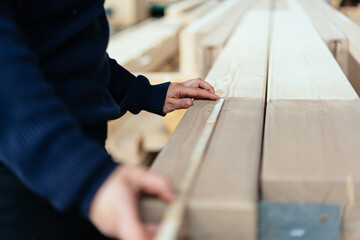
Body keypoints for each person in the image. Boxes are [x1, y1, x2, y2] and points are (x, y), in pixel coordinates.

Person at [0, 0, 219, 240]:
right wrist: (88, 177)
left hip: (79, 157)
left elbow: (69, 45)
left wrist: (146, 93)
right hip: (26, 175)